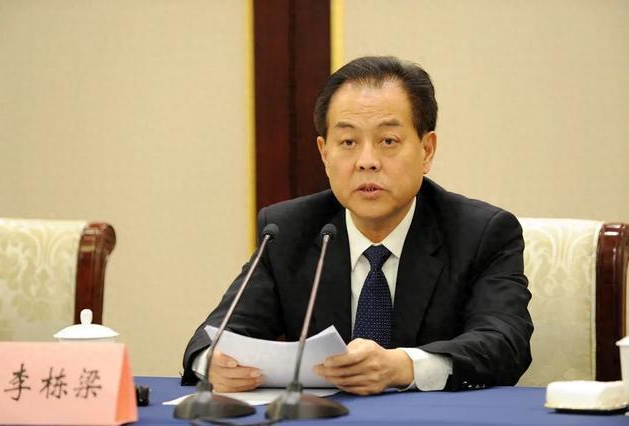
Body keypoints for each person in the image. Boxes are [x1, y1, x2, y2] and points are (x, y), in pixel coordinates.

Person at [181, 56, 533, 394]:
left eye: (388, 141)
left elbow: (505, 343)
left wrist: (402, 367)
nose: (367, 161)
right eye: (348, 142)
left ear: (427, 150)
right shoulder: (287, 231)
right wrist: (211, 362)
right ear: (324, 153)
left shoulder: (481, 233)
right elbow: (216, 334)